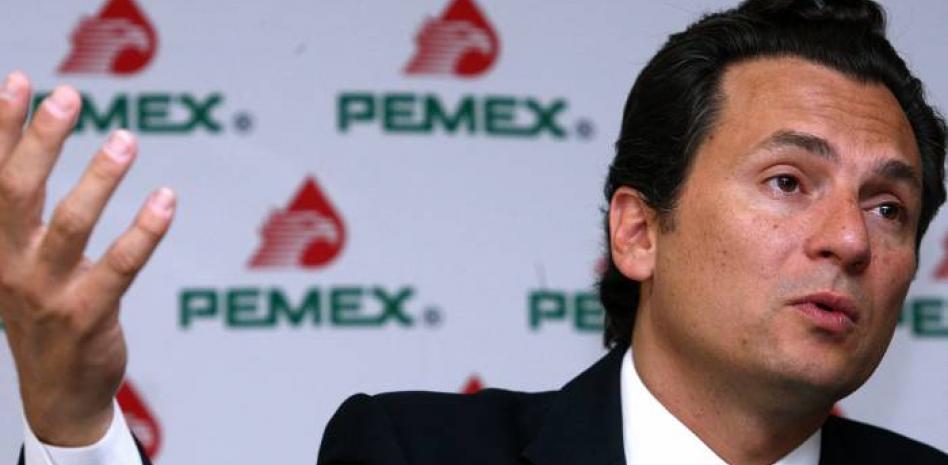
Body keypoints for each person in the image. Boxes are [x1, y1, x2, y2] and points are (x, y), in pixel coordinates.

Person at [5, 0, 948, 464]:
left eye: (888, 207)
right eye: (788, 182)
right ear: (637, 231)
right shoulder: (417, 453)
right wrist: (75, 422)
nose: (849, 241)